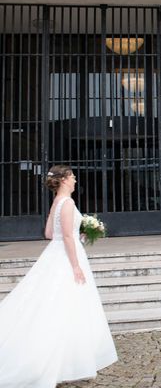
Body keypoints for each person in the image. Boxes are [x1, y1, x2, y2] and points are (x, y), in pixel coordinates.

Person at [0, 165, 117, 387]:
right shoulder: (68, 203)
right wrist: (75, 266)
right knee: (66, 305)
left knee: (57, 303)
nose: (75, 179)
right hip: (66, 258)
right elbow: (65, 236)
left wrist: (79, 233)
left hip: (54, 255)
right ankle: (65, 360)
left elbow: (48, 234)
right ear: (63, 180)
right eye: (72, 176)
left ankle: (71, 359)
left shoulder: (57, 202)